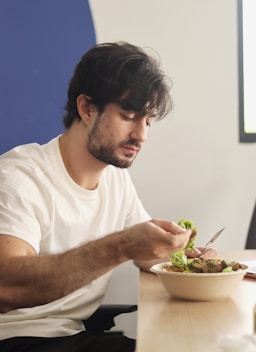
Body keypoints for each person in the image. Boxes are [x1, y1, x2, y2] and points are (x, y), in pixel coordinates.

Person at [0, 41, 192, 352]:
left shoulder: (115, 177)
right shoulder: (19, 177)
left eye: (147, 122)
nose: (142, 136)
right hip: (18, 340)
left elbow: (145, 252)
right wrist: (121, 245)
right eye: (129, 116)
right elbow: (5, 287)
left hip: (76, 337)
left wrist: (188, 255)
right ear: (87, 108)